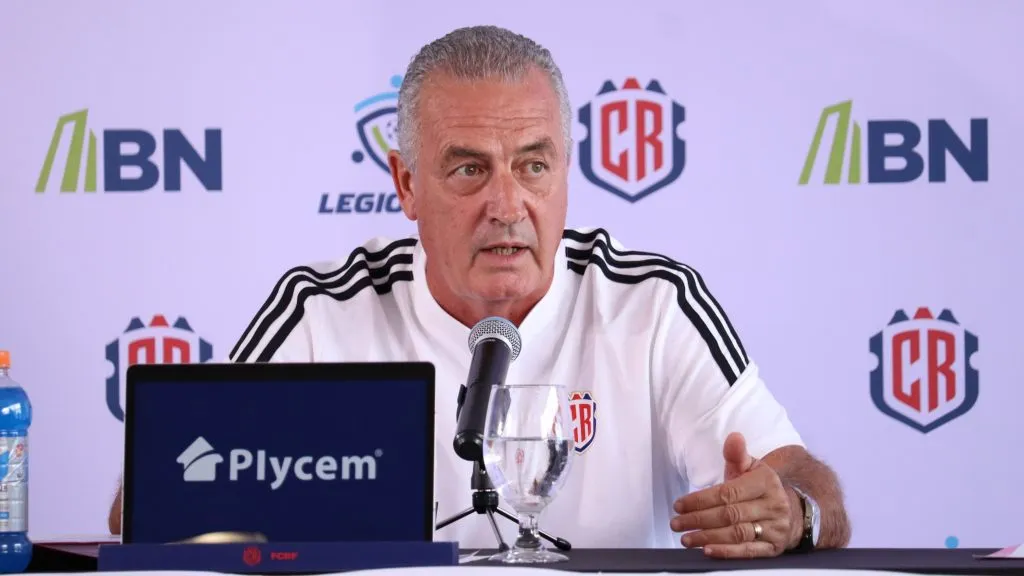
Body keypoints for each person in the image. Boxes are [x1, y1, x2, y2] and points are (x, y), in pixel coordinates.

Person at [109, 24, 851, 557]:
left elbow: (806, 485)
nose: (506, 204)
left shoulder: (651, 303)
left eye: (533, 166)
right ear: (405, 184)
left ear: (566, 172)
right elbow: (145, 512)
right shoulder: (321, 310)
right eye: (468, 169)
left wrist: (793, 513)